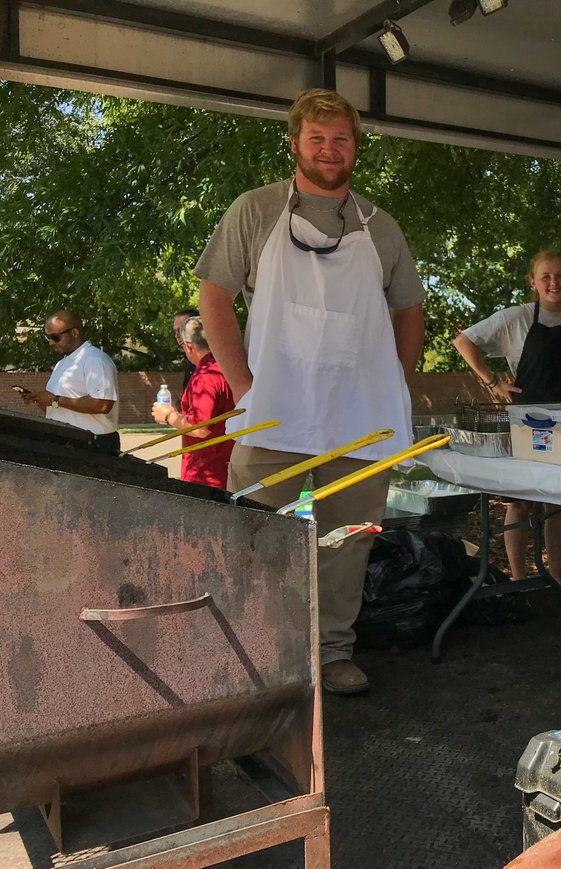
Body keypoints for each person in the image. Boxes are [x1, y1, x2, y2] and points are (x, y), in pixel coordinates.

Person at [195, 88, 426, 696]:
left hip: (359, 421)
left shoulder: (381, 227)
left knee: (344, 545)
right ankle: (256, 657)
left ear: (356, 146)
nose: (330, 149)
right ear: (295, 143)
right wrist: (243, 385)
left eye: (342, 138)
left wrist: (395, 384)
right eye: (317, 138)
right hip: (273, 417)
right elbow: (213, 296)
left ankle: (330, 654)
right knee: (257, 538)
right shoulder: (255, 210)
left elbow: (410, 308)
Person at [453, 250, 561, 581]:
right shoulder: (516, 318)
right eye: (546, 277)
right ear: (533, 282)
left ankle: (556, 577)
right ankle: (519, 578)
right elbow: (464, 341)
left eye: (560, 275)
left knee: (558, 504)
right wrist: (492, 381)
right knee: (519, 502)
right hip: (525, 421)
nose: (554, 283)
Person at [151, 316, 236, 489]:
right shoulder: (227, 367)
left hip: (206, 470)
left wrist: (169, 416)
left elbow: (200, 427)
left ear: (188, 347)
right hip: (227, 462)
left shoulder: (204, 377)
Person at [23, 309, 120, 453]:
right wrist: (41, 401)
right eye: (47, 337)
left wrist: (55, 400)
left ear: (75, 333)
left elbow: (102, 404)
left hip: (93, 443)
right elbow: (62, 407)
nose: (50, 343)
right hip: (66, 441)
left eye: (55, 337)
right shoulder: (62, 364)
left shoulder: (95, 359)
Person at [172, 307, 199, 392]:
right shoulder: (191, 363)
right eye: (175, 331)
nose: (177, 335)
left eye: (181, 329)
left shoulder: (210, 366)